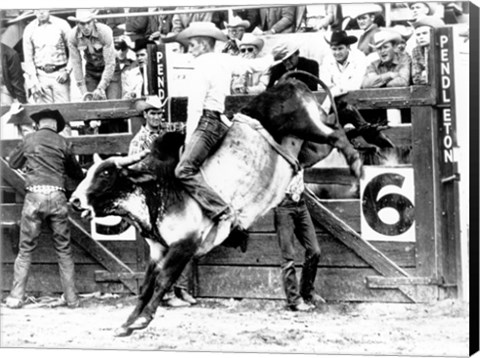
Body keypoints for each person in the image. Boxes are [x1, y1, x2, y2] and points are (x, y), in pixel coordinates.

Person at [174, 21, 284, 224]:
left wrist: (189, 138)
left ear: (204, 45)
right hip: (221, 121)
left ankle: (221, 211)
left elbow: (195, 107)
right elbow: (251, 66)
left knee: (184, 170)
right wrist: (271, 58)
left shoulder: (200, 65)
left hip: (206, 121)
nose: (190, 50)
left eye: (193, 45)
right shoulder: (223, 60)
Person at [5, 109, 85, 309]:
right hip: (58, 196)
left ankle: (15, 298)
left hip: (34, 197)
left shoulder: (29, 139)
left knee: (25, 250)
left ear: (38, 124)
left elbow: (13, 163)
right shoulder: (63, 142)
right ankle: (72, 299)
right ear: (55, 125)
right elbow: (76, 172)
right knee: (64, 250)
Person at [128, 96, 197, 307]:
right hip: (155, 197)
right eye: (153, 113)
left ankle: (181, 288)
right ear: (145, 115)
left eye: (159, 113)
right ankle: (166, 295)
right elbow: (133, 171)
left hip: (174, 194)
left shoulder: (167, 133)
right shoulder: (139, 141)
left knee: (184, 240)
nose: (157, 116)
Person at [274, 169, 325, 311]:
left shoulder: (299, 149)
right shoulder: (281, 150)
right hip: (283, 206)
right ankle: (294, 301)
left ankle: (307, 291)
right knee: (288, 257)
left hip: (300, 203)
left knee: (314, 251)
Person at [67, 9, 121, 101]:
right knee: (91, 103)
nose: (86, 27)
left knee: (114, 102)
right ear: (77, 24)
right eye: (82, 24)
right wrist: (84, 91)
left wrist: (100, 88)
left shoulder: (104, 31)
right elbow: (76, 64)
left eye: (88, 22)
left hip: (110, 70)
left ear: (94, 21)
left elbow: (110, 63)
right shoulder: (72, 36)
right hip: (91, 70)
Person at [22, 9, 72, 104]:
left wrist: (67, 71)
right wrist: (34, 81)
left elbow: (73, 50)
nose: (41, 12)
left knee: (64, 113)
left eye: (43, 8)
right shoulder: (29, 29)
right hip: (41, 77)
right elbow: (28, 59)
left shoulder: (62, 24)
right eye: (37, 9)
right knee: (45, 113)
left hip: (60, 75)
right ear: (33, 11)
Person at [411, 16, 445, 85]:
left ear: (433, 33)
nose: (421, 37)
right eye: (418, 35)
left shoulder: (442, 47)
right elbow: (416, 78)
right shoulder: (416, 50)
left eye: (424, 33)